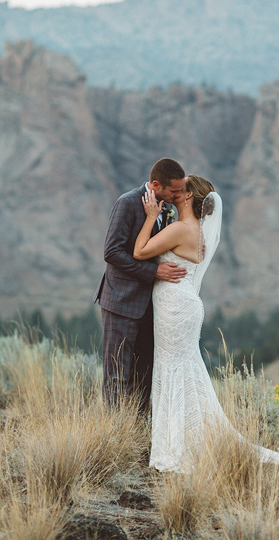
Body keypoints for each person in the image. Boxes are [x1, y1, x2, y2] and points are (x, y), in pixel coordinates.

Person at [133, 174, 279, 473]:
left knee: (172, 369)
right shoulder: (195, 231)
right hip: (182, 303)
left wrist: (151, 217)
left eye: (182, 188)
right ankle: (184, 440)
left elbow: (140, 252)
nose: (176, 190)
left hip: (175, 306)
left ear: (189, 196)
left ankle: (176, 447)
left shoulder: (181, 229)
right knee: (183, 370)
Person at [95, 158, 188, 413]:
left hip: (151, 308)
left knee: (144, 374)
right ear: (156, 185)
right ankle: (114, 436)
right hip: (121, 303)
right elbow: (112, 252)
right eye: (174, 191)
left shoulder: (167, 208)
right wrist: (154, 271)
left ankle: (138, 432)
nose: (178, 195)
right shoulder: (127, 203)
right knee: (117, 376)